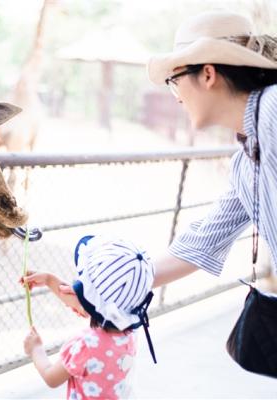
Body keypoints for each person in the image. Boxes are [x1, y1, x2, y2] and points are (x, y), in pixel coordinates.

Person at [145, 10, 277, 287]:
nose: (178, 98)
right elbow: (201, 243)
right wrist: (92, 293)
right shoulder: (246, 163)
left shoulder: (272, 110)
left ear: (207, 74)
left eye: (175, 81)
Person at [22, 235, 156, 400]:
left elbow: (51, 377)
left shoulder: (85, 345)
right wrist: (50, 280)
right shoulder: (128, 332)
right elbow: (88, 305)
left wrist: (35, 349)